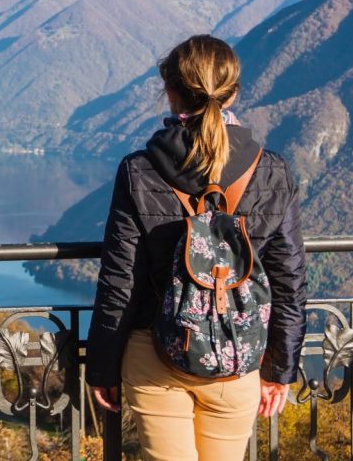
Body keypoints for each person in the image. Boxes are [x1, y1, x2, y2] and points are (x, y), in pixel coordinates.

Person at [86, 34, 306, 460]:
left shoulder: (139, 170)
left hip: (155, 356)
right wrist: (279, 369)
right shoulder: (272, 171)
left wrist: (102, 367)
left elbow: (119, 282)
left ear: (170, 92)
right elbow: (288, 279)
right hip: (236, 356)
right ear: (233, 93)